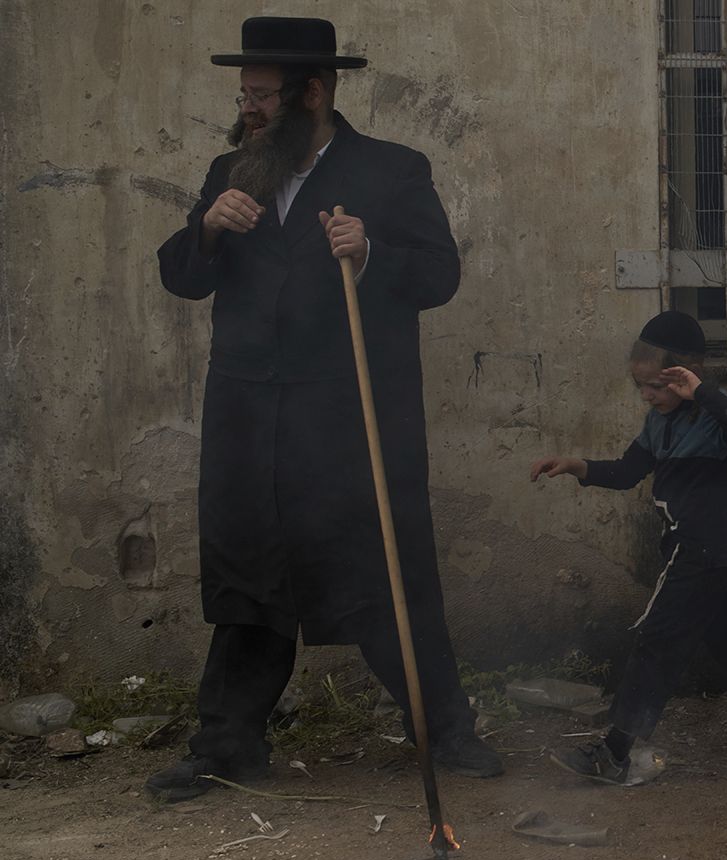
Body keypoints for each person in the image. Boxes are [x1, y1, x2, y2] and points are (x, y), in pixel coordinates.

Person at [149, 16, 498, 803]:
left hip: (351, 426)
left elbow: (439, 276)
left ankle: (446, 732)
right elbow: (182, 276)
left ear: (315, 92)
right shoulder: (231, 171)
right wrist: (205, 228)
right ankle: (227, 744)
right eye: (244, 93)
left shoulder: (392, 171)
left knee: (387, 580)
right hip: (249, 424)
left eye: (264, 94)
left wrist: (371, 253)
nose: (249, 108)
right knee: (247, 586)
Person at [532, 312, 727, 783]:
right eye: (640, 386)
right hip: (698, 553)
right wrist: (575, 464)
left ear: (685, 377)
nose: (647, 395)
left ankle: (615, 753)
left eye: (657, 386)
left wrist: (699, 392)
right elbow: (628, 472)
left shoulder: (714, 413)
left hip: (701, 552)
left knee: (656, 644)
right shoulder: (657, 422)